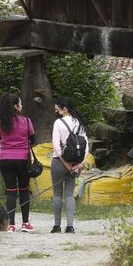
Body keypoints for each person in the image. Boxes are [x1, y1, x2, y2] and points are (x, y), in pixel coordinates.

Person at [0, 92, 35, 233]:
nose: (22, 105)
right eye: (20, 103)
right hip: (22, 159)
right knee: (24, 190)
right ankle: (25, 223)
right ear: (17, 106)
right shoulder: (26, 121)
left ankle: (11, 225)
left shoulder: (1, 123)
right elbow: (33, 139)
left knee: (11, 192)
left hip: (5, 158)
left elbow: (1, 137)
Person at [50, 97, 88, 233]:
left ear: (64, 109)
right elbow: (86, 146)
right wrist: (79, 165)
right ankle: (70, 226)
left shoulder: (58, 123)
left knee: (57, 194)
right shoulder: (79, 123)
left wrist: (65, 164)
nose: (56, 112)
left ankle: (56, 226)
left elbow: (56, 146)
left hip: (59, 163)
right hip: (75, 164)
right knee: (70, 195)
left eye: (57, 109)